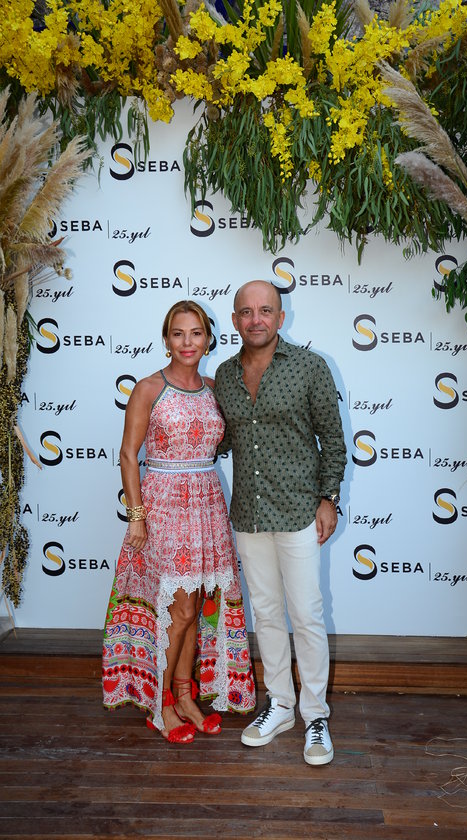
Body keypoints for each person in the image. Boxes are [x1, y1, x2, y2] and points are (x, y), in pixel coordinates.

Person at [102, 300, 256, 743]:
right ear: (166, 339)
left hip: (207, 503)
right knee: (181, 609)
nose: (187, 342)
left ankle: (187, 696)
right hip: (164, 506)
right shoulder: (149, 388)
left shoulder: (214, 388)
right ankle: (162, 703)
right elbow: (128, 455)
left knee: (199, 606)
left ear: (208, 339)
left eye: (196, 333)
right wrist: (136, 517)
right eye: (178, 333)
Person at [214, 280, 346, 766]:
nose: (256, 319)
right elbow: (222, 439)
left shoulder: (310, 367)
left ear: (280, 317)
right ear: (235, 321)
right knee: (267, 613)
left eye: (265, 310)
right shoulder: (224, 375)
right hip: (248, 514)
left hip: (297, 511)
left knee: (306, 614)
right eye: (247, 312)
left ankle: (315, 715)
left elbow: (333, 440)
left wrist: (329, 499)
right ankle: (281, 706)